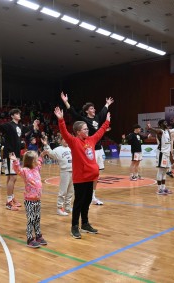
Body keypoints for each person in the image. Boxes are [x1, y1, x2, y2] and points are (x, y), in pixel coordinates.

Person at [53, 106, 110, 239]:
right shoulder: (73, 142)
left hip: (91, 177)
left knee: (87, 201)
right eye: (85, 129)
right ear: (78, 132)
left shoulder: (91, 140)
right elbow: (64, 132)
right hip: (80, 178)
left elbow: (100, 132)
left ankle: (85, 223)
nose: (87, 130)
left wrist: (106, 122)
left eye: (87, 128)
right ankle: (74, 226)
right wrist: (61, 120)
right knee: (78, 202)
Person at [61, 92, 114, 205]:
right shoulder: (83, 120)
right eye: (91, 108)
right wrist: (66, 101)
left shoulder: (98, 117)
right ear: (86, 111)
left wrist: (107, 104)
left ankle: (92, 196)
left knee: (96, 174)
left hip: (99, 149)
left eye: (94, 108)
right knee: (87, 173)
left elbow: (103, 111)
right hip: (88, 149)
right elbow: (73, 112)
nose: (94, 109)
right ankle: (85, 196)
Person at [0, 109, 40, 211]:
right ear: (12, 116)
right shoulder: (9, 125)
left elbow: (26, 129)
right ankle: (8, 202)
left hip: (16, 154)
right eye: (16, 113)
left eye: (19, 113)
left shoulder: (19, 126)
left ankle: (12, 197)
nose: (19, 115)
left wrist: (33, 125)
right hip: (10, 154)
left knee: (10, 177)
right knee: (13, 178)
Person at [10, 151, 48, 248]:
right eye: (35, 160)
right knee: (31, 219)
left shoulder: (36, 168)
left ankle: (38, 236)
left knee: (37, 218)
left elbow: (39, 162)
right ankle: (30, 239)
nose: (36, 161)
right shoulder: (25, 171)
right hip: (29, 200)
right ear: (30, 161)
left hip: (37, 199)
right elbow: (17, 169)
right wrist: (15, 161)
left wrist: (41, 156)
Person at [42, 135, 74, 216]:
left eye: (67, 139)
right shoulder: (58, 149)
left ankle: (68, 207)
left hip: (73, 171)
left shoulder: (71, 148)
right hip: (65, 172)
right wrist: (46, 145)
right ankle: (59, 208)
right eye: (64, 139)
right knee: (63, 191)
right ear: (61, 140)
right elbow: (50, 153)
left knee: (71, 191)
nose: (66, 141)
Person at [147, 120, 173, 195]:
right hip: (161, 153)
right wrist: (150, 128)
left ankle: (163, 188)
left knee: (165, 171)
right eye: (164, 122)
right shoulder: (160, 131)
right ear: (160, 124)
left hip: (166, 154)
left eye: (166, 122)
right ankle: (159, 189)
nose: (166, 123)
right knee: (160, 170)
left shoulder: (167, 131)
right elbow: (156, 130)